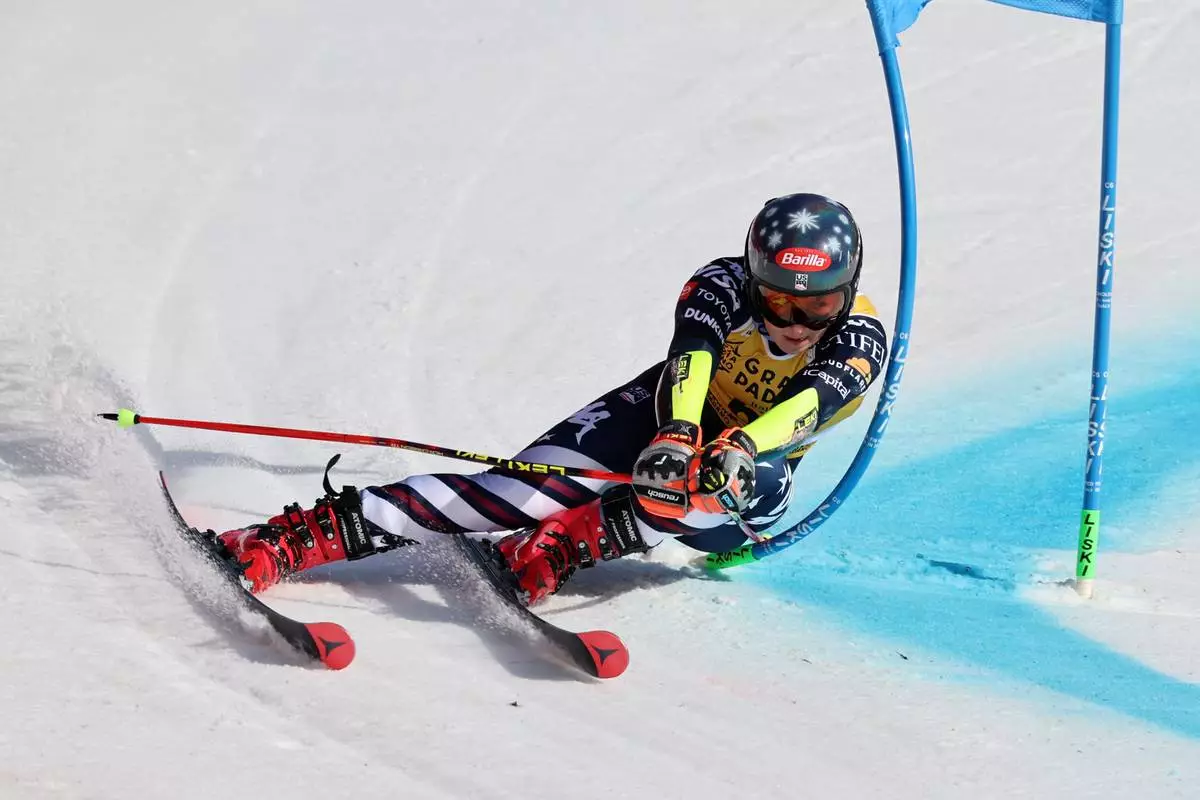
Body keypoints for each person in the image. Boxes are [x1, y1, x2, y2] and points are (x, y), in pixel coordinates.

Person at [216, 193, 889, 606]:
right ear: (753, 276)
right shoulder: (721, 283)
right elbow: (692, 355)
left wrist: (735, 445)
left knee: (726, 478)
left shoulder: (860, 337)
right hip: (665, 414)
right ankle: (291, 539)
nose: (795, 321)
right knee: (513, 493)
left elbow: (807, 405)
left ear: (847, 287)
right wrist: (679, 431)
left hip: (749, 475)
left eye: (817, 304)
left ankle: (570, 541)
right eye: (777, 298)